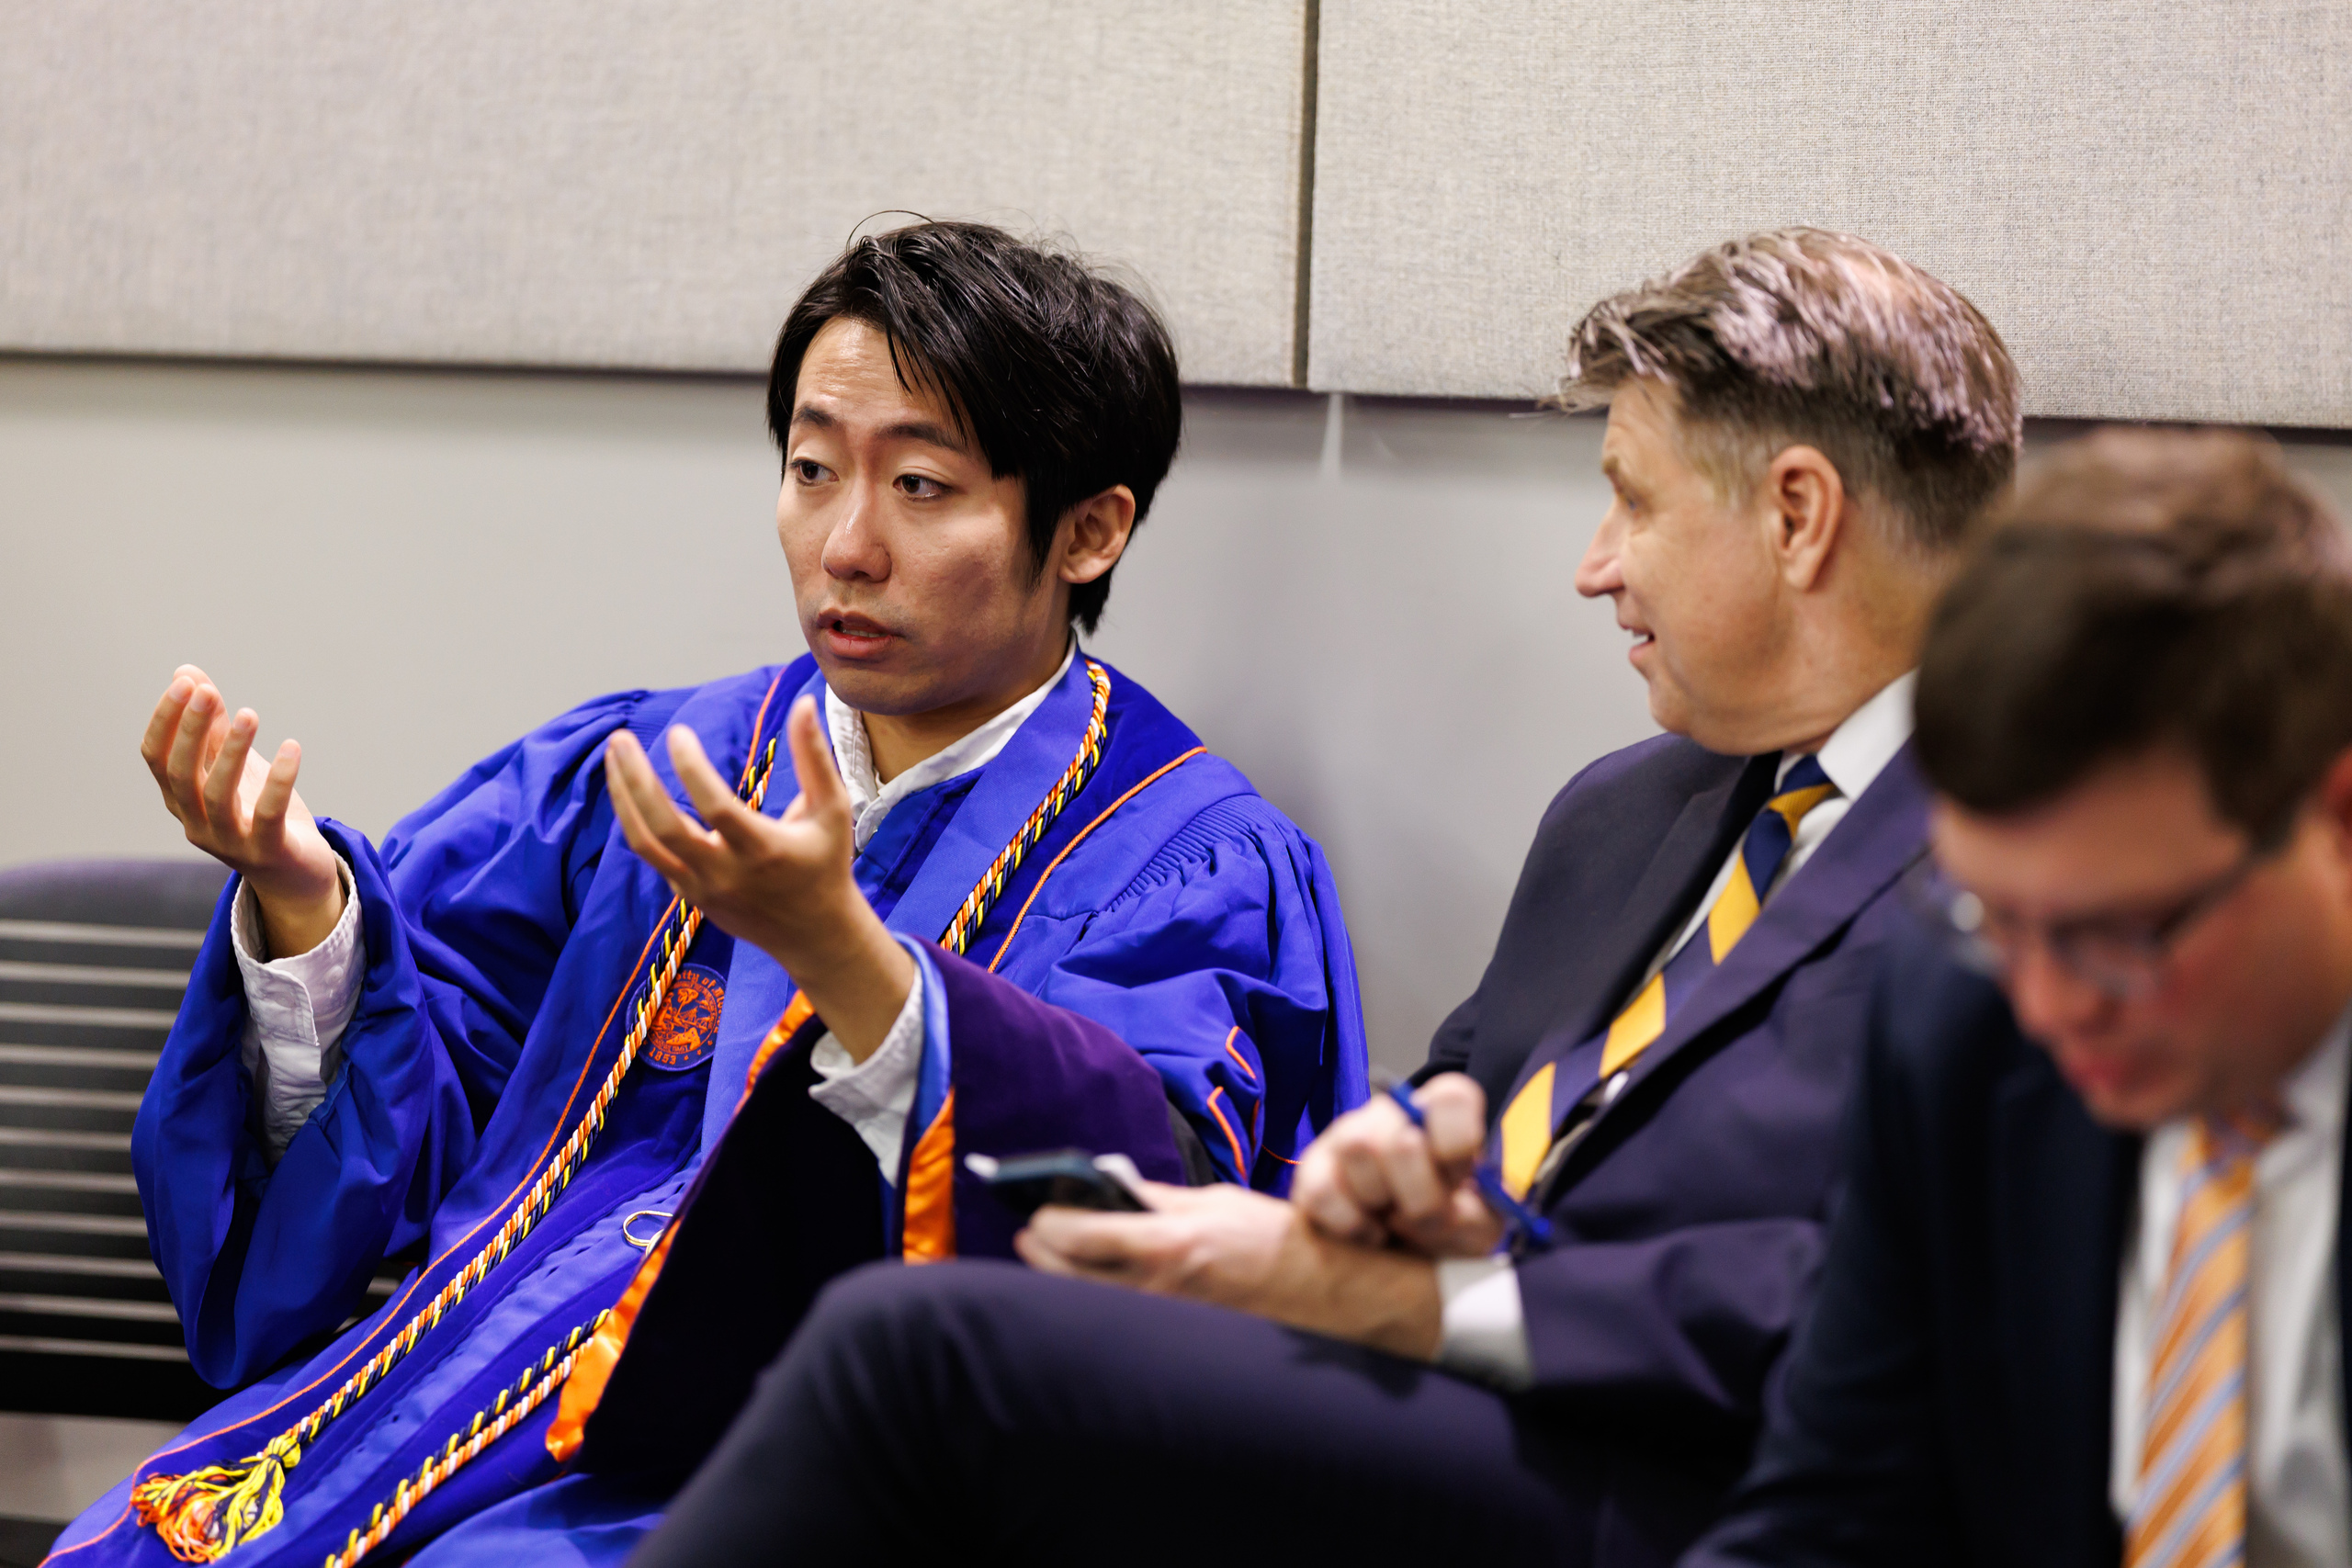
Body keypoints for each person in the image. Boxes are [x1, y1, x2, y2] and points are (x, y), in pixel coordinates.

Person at [627, 229, 2024, 1568]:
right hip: (1434, 1398)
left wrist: (1435, 1300)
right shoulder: (1626, 814)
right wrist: (1376, 1186)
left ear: (1796, 515)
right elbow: (1464, 1098)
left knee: (916, 1354)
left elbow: (1940, 1305)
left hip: (1699, 1493)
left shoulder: (2038, 869)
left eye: (1635, 498)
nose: (1597, 563)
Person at [48, 221, 1367, 1568]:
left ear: (1089, 530)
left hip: (802, 1477)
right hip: (443, 1392)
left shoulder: (1182, 862)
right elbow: (434, 1085)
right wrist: (307, 910)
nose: (845, 545)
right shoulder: (649, 769)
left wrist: (848, 960)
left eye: (920, 484)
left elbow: (1142, 1226)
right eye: (810, 468)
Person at [1686, 430, 2352, 1568]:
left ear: (2333, 814)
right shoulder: (1952, 1011)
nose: (2046, 1007)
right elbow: (1836, 1511)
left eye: (2115, 935)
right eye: (1994, 914)